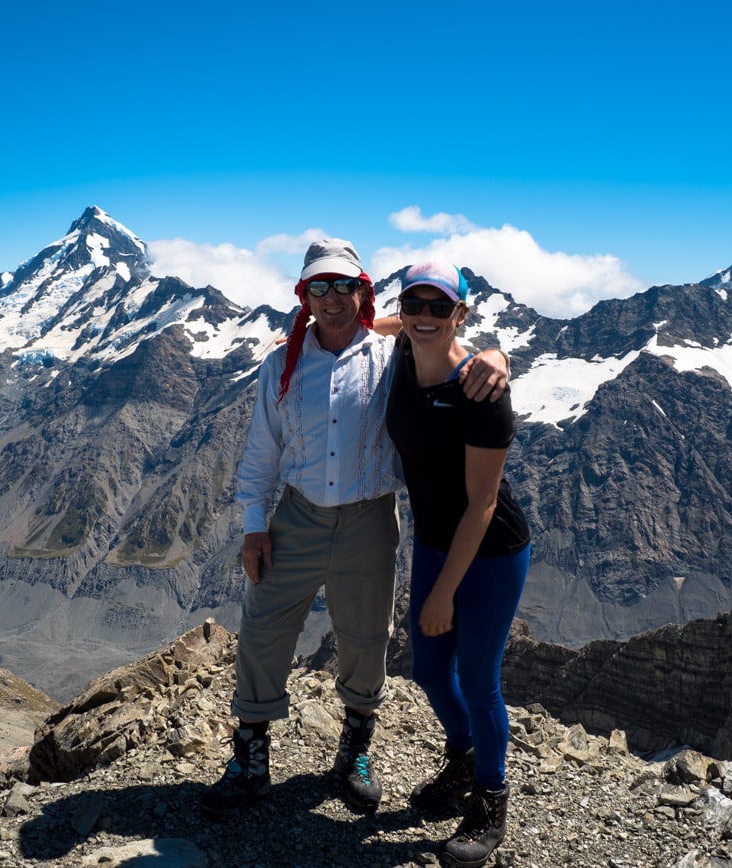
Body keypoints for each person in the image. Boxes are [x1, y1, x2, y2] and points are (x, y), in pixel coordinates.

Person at [202, 240, 509, 816]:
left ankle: (354, 753)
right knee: (264, 627)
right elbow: (260, 452)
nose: (332, 298)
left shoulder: (390, 356)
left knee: (366, 637)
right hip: (296, 515)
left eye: (344, 286)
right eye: (319, 287)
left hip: (370, 518)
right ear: (304, 297)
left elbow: (440, 342)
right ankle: (249, 759)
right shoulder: (281, 366)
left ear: (362, 292)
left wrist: (495, 355)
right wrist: (253, 526)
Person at [385, 261, 531, 867]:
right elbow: (374, 322)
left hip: (490, 549)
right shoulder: (401, 350)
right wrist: (494, 348)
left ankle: (491, 798)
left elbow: (483, 503)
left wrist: (445, 591)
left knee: (476, 677)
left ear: (460, 315)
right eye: (414, 304)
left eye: (438, 307)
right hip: (435, 540)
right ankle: (465, 759)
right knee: (426, 669)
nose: (423, 316)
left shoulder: (481, 394)